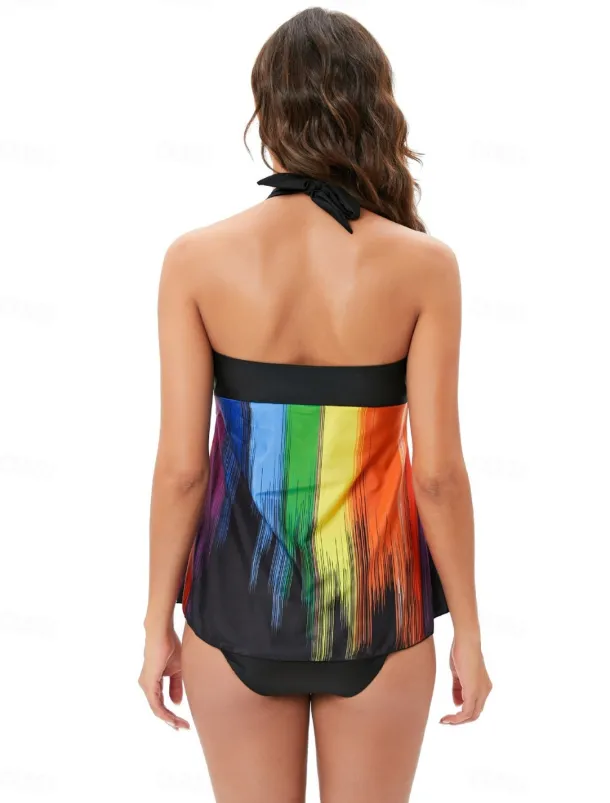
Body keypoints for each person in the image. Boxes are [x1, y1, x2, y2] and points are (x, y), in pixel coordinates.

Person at [138, 7, 492, 802]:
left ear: (268, 112)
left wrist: (157, 618)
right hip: (378, 615)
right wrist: (469, 630)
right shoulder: (424, 266)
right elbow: (438, 474)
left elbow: (182, 470)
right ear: (375, 108)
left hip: (233, 613)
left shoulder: (196, 260)